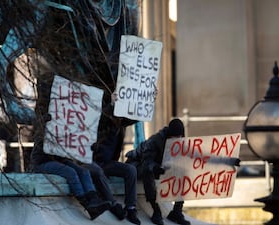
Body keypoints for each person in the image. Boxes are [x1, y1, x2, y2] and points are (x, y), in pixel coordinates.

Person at [30, 77, 111, 220]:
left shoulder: (63, 118)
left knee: (83, 170)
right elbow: (43, 143)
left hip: (59, 158)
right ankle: (86, 204)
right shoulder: (44, 118)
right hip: (42, 162)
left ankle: (94, 201)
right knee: (70, 172)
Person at [125, 119, 190, 225]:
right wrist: (156, 167)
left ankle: (177, 212)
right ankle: (156, 210)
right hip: (137, 163)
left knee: (182, 172)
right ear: (170, 135)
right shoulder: (155, 140)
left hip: (159, 166)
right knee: (148, 171)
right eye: (176, 137)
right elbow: (147, 161)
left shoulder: (179, 143)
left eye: (180, 137)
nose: (178, 139)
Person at [91, 93, 141, 225]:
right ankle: (113, 206)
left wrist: (149, 100)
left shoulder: (121, 121)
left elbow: (137, 116)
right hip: (96, 162)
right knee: (99, 174)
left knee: (131, 170)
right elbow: (102, 118)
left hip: (109, 163)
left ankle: (130, 208)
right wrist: (112, 105)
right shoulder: (101, 119)